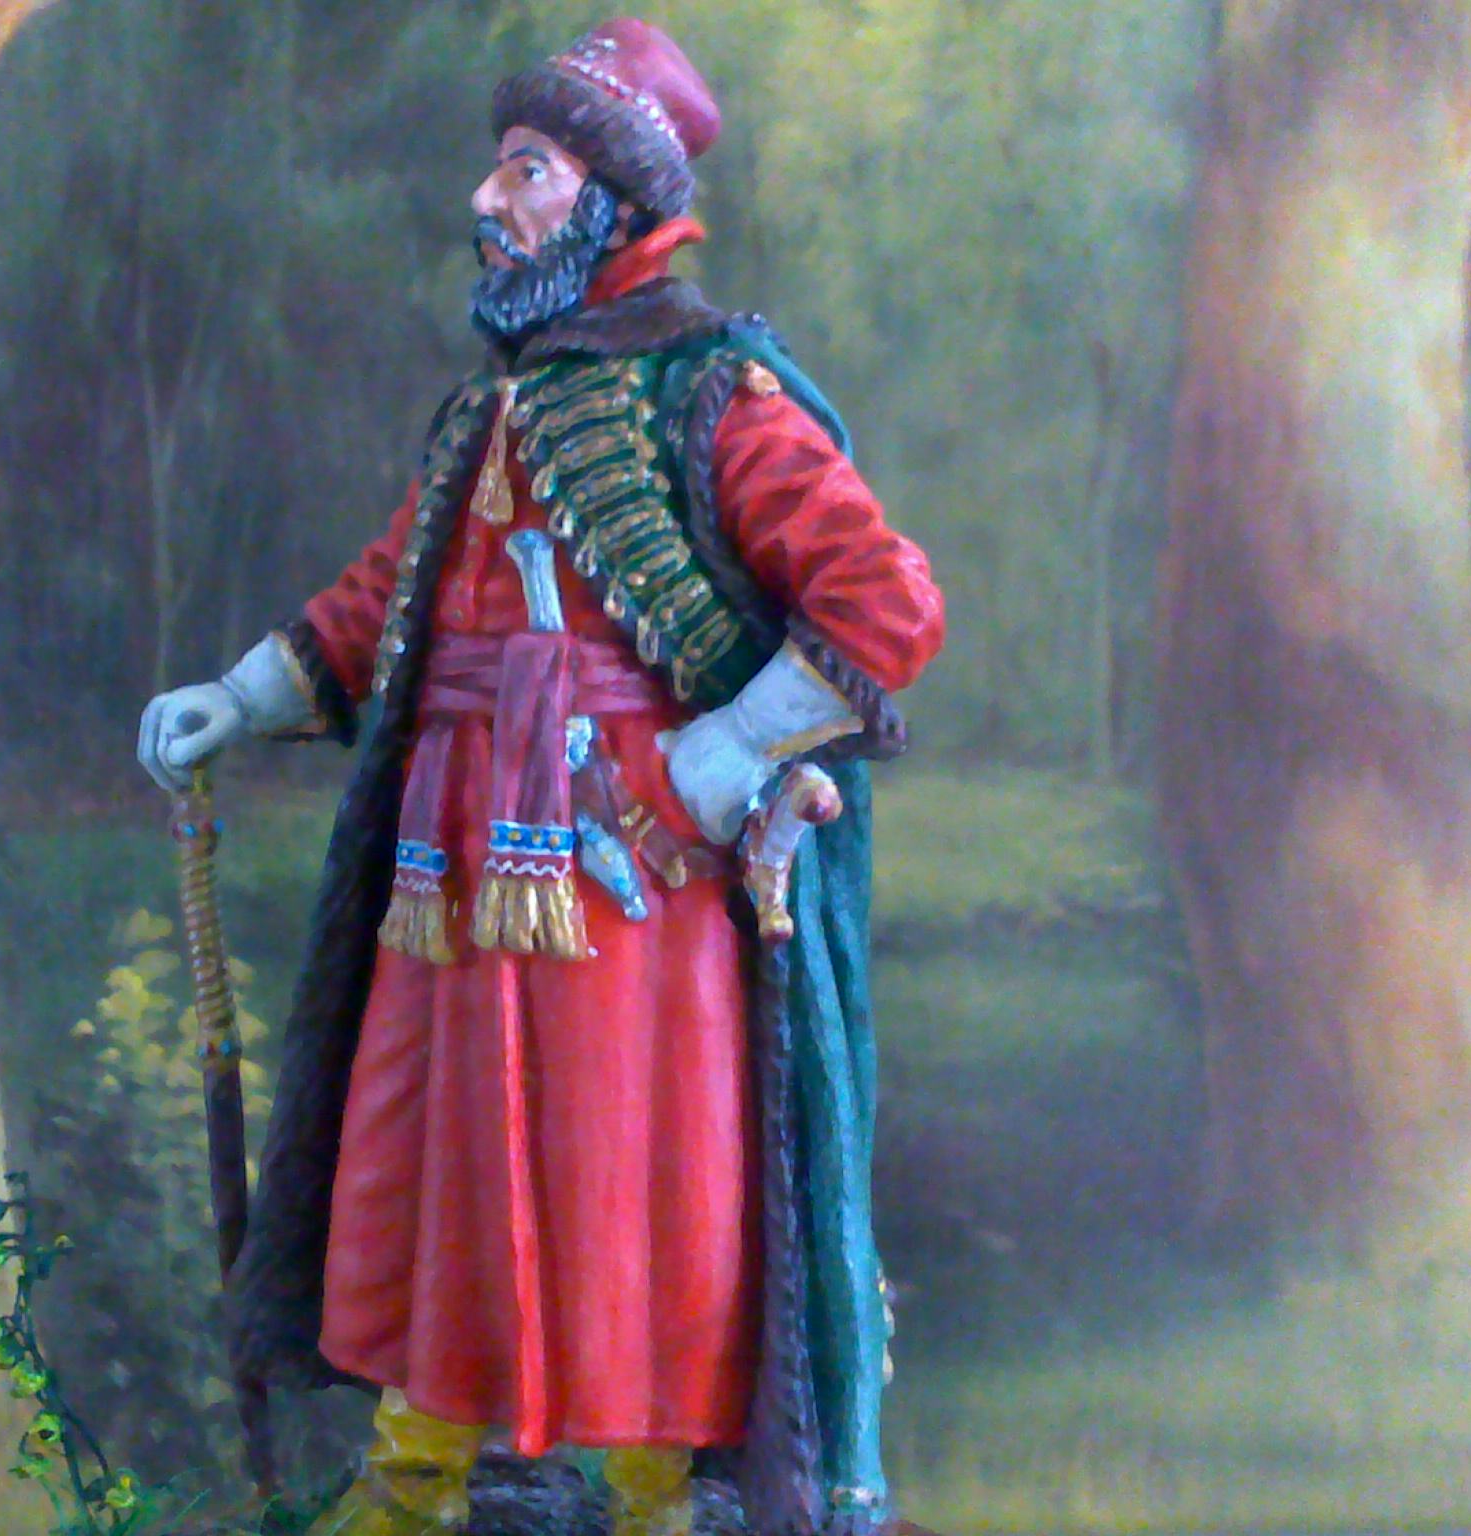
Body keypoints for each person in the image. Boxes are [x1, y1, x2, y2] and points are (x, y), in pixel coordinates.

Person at [138, 18, 944, 1536]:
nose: (486, 201)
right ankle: (419, 1470)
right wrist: (238, 699)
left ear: (612, 202)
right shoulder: (492, 412)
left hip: (626, 861)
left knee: (631, 1175)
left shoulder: (715, 392)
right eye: (499, 171)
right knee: (435, 1154)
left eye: (524, 172)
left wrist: (725, 749)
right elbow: (381, 606)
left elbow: (883, 605)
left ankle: (653, 1492)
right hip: (448, 864)